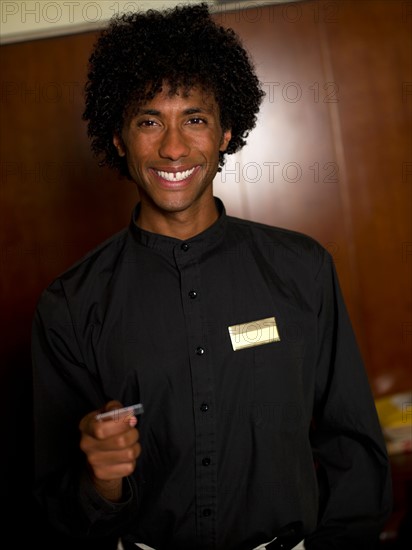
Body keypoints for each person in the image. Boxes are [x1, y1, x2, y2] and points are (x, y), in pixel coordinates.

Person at [31, 3, 392, 550]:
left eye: (194, 119)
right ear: (119, 139)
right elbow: (51, 509)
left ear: (226, 131)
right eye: (149, 120)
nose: (173, 148)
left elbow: (354, 452)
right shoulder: (70, 304)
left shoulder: (303, 269)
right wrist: (101, 482)